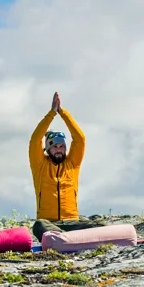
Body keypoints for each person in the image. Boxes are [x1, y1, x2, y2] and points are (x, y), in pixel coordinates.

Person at [28, 92, 105, 241]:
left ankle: (64, 239)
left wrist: (63, 113)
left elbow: (80, 139)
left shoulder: (72, 164)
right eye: (55, 146)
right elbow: (35, 140)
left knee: (100, 225)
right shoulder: (40, 165)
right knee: (39, 225)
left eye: (62, 146)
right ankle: (67, 238)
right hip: (49, 223)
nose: (59, 149)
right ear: (48, 149)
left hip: (72, 222)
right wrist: (52, 114)